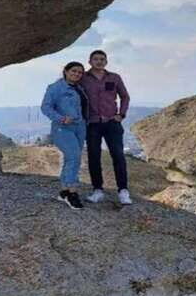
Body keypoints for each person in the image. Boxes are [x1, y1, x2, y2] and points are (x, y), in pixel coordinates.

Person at [80, 50, 132, 205]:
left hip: (112, 122)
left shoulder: (114, 77)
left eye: (102, 59)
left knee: (118, 156)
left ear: (106, 62)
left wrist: (121, 115)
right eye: (96, 59)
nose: (99, 62)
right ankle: (97, 190)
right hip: (92, 123)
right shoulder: (83, 78)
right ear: (89, 61)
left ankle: (123, 191)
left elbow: (125, 96)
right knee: (94, 157)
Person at [40, 61, 89, 210]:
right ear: (66, 71)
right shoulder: (56, 88)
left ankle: (64, 191)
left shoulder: (79, 88)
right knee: (74, 157)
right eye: (74, 71)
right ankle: (72, 193)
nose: (77, 74)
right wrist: (61, 118)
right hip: (63, 128)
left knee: (71, 158)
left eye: (80, 72)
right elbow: (45, 107)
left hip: (79, 127)